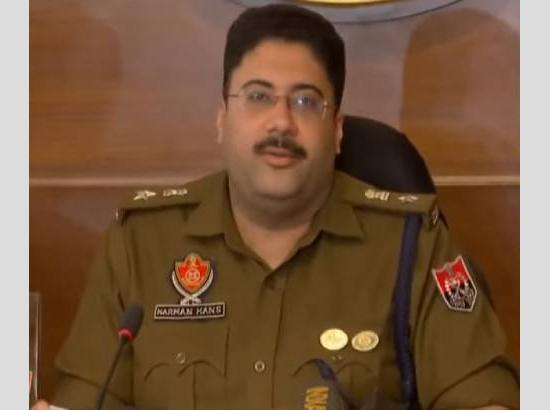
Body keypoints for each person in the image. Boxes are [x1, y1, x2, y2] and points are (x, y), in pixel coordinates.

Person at [33, 4, 519, 410]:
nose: (281, 121)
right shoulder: (139, 244)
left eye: (306, 102)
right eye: (258, 96)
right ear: (222, 118)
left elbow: (483, 399)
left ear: (337, 130)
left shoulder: (413, 246)